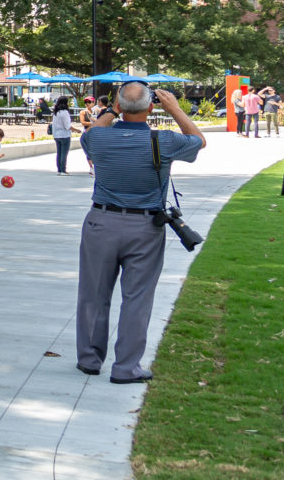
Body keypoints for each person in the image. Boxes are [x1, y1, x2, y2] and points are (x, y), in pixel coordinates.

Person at [76, 83, 206, 384]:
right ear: (152, 107)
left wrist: (111, 111)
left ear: (118, 106)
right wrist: (174, 109)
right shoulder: (164, 140)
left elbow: (92, 132)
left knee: (93, 295)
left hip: (101, 221)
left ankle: (89, 359)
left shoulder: (99, 137)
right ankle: (126, 367)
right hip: (145, 226)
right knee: (137, 298)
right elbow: (198, 140)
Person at [51, 97, 75, 174]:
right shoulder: (65, 112)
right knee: (64, 153)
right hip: (65, 135)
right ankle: (63, 170)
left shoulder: (55, 112)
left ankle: (59, 170)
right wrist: (77, 130)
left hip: (56, 135)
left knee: (59, 153)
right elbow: (67, 126)